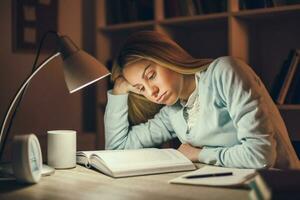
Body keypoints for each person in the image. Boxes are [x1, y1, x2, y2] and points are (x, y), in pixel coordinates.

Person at [104, 31, 299, 169]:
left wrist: (198, 154)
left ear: (167, 56)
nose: (151, 92)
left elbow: (261, 156)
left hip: (279, 187)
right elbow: (117, 149)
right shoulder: (173, 112)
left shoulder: (225, 72)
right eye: (140, 88)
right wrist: (119, 90)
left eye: (151, 75)